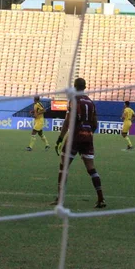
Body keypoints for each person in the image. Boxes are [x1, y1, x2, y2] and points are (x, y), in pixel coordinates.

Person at [52, 78, 106, 209]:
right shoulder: (91, 102)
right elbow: (95, 123)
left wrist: (60, 138)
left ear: (74, 87)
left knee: (63, 167)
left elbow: (68, 121)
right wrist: (89, 133)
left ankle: (60, 199)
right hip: (88, 136)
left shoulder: (73, 101)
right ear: (85, 87)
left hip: (75, 136)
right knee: (91, 168)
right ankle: (101, 198)